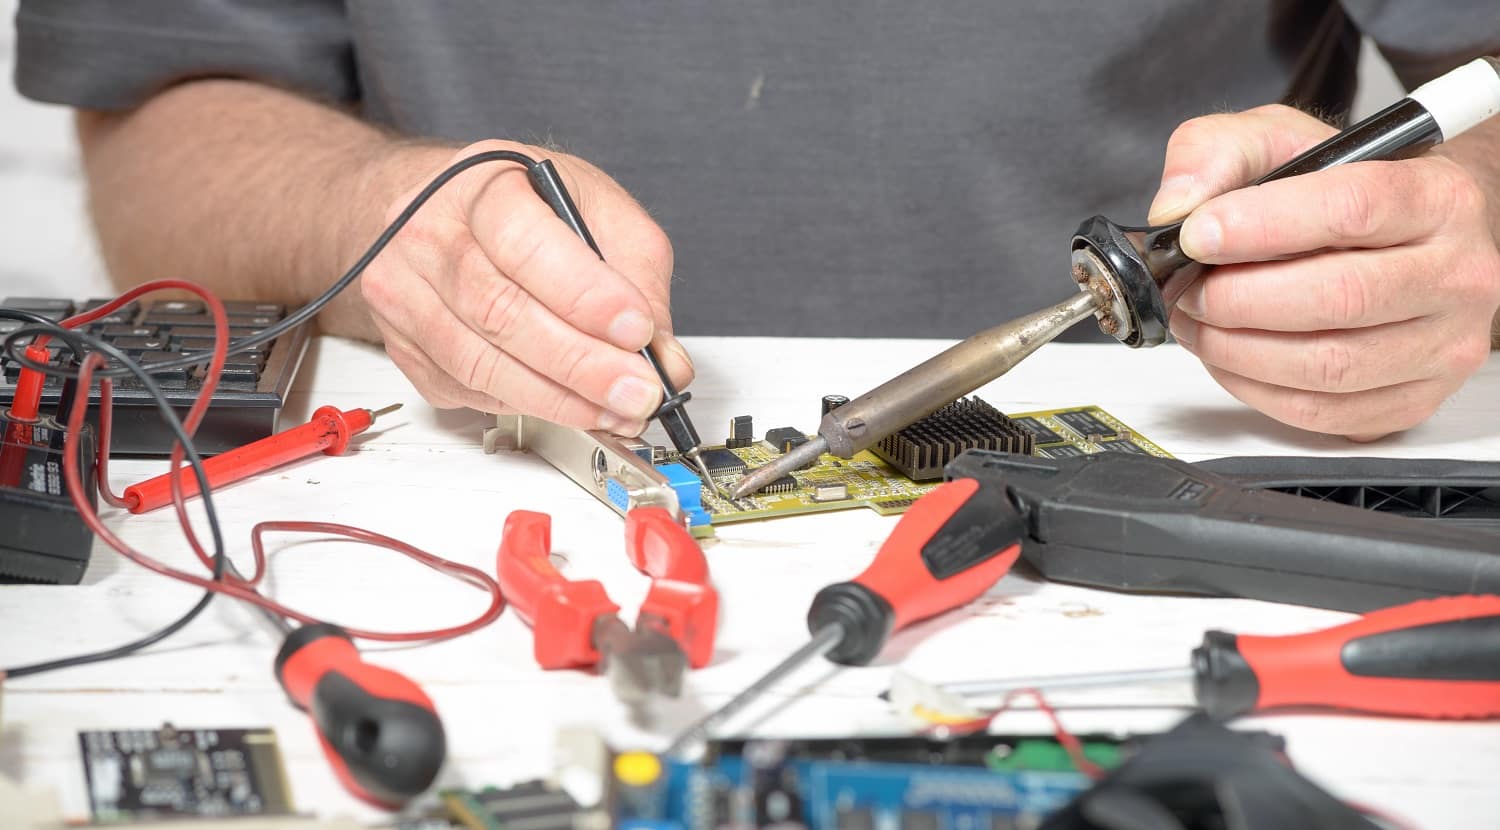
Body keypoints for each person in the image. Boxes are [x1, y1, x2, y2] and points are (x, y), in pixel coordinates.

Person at [14, 2, 1500, 442]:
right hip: (456, 476)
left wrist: (1443, 241)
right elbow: (160, 110)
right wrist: (372, 217)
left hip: (1216, 475)